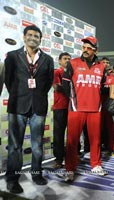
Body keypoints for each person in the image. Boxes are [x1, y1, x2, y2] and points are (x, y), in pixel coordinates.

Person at [4, 25, 54, 193]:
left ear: (41, 39)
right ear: (24, 37)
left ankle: (36, 174)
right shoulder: (12, 56)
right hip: (17, 105)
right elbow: (9, 81)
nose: (33, 37)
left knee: (37, 145)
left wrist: (36, 96)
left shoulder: (47, 59)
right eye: (30, 35)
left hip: (38, 107)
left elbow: (48, 82)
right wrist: (21, 95)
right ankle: (12, 179)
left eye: (36, 35)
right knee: (15, 146)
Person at [62, 36, 107, 182]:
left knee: (95, 140)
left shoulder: (101, 67)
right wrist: (74, 100)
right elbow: (65, 85)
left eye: (89, 48)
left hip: (95, 109)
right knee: (72, 140)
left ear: (95, 50)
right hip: (76, 108)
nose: (86, 50)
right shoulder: (73, 63)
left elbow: (104, 88)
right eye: (84, 47)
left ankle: (96, 164)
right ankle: (70, 169)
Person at [52, 52, 71, 169]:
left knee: (72, 134)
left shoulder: (72, 73)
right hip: (60, 107)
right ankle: (58, 159)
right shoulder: (57, 72)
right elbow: (57, 87)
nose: (67, 61)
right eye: (65, 59)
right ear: (59, 61)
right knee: (59, 135)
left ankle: (72, 156)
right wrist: (69, 88)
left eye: (69, 59)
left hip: (71, 107)